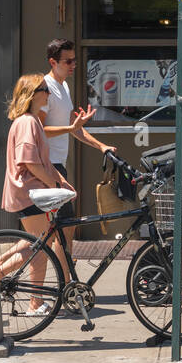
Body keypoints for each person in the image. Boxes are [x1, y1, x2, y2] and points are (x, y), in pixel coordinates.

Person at [0, 74, 73, 314]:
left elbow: (43, 162)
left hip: (30, 192)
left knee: (36, 242)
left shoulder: (30, 121)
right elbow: (30, 163)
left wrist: (61, 181)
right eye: (44, 89)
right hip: (30, 192)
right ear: (32, 93)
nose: (48, 94)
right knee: (39, 246)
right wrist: (54, 184)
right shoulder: (28, 122)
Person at [40, 39, 116, 256]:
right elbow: (39, 129)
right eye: (68, 61)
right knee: (56, 231)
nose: (73, 64)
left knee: (61, 230)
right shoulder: (46, 87)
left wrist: (102, 146)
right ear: (53, 62)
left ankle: (65, 282)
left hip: (57, 165)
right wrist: (70, 127)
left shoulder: (64, 86)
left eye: (75, 60)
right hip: (48, 166)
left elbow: (74, 129)